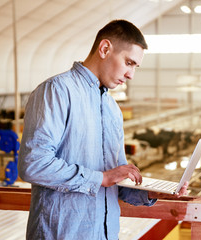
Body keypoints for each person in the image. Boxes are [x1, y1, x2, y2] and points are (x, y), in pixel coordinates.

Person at [18, 19, 188, 240]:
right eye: (128, 62)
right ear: (105, 48)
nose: (131, 75)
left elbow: (116, 180)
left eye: (135, 66)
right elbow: (33, 164)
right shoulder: (57, 92)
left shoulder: (112, 109)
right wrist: (99, 178)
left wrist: (152, 192)